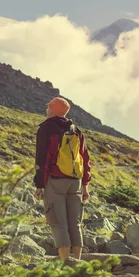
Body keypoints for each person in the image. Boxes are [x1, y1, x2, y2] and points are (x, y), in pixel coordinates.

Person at [34, 97, 91, 262]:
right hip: (76, 182)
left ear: (52, 110)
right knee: (75, 223)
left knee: (58, 223)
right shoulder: (75, 130)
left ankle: (66, 265)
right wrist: (85, 185)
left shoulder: (46, 128)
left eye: (48, 107)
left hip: (56, 181)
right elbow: (85, 158)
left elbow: (42, 159)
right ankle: (77, 262)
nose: (46, 110)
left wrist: (39, 185)